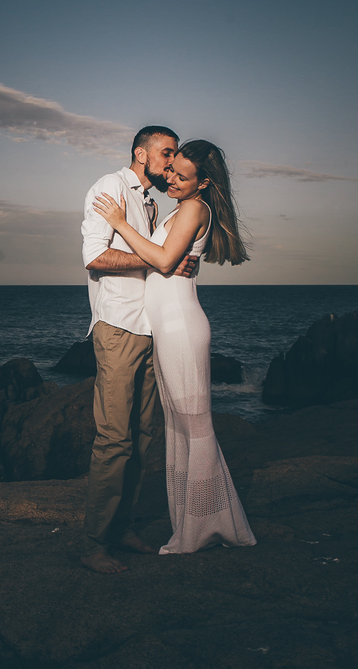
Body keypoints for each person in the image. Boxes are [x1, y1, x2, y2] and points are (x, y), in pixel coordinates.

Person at [92, 139, 256, 554]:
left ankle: (203, 528)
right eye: (172, 171)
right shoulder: (181, 209)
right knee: (179, 428)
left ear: (203, 183)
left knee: (195, 427)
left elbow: (164, 262)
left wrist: (120, 223)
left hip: (181, 327)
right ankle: (195, 521)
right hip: (164, 327)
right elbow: (169, 258)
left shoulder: (195, 208)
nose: (172, 179)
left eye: (182, 177)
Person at [78, 125, 197, 574]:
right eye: (166, 153)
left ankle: (122, 529)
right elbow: (95, 257)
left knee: (144, 436)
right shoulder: (110, 188)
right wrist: (160, 258)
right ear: (141, 154)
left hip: (150, 327)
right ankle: (93, 546)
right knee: (114, 440)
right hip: (119, 326)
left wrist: (177, 261)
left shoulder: (151, 201)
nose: (172, 161)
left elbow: (160, 259)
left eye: (175, 154)